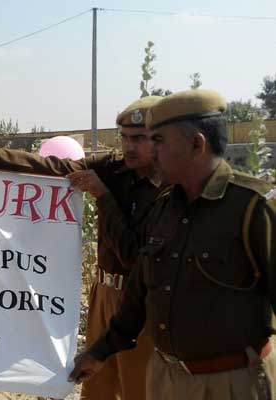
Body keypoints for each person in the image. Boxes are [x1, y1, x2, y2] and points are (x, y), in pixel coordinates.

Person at [0, 96, 167, 400]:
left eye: (139, 138)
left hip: (142, 301)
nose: (129, 146)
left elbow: (131, 253)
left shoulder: (169, 188)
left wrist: (103, 196)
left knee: (140, 388)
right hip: (103, 295)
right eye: (124, 137)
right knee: (98, 388)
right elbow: (51, 166)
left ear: (161, 140)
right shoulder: (114, 168)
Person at [69, 89, 276, 400]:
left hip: (232, 383)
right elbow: (138, 294)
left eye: (159, 141)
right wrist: (99, 352)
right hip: (166, 379)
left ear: (196, 144)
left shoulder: (250, 209)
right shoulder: (166, 208)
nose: (150, 151)